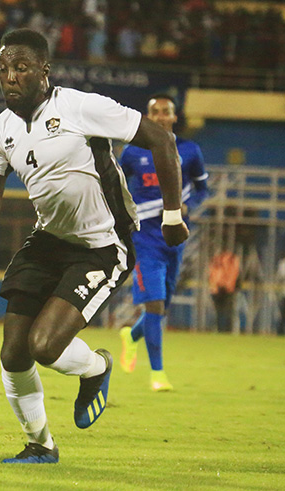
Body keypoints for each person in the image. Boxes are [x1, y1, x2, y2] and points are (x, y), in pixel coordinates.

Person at [0, 28, 188, 464]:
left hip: (102, 244)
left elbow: (163, 140)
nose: (10, 77)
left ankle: (97, 367)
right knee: (13, 352)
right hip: (49, 240)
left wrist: (173, 215)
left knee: (45, 347)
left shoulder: (81, 107)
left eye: (21, 67)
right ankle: (40, 445)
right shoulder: (1, 129)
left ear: (44, 71)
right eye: (3, 69)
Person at [118, 94, 208, 392]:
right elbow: (115, 184)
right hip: (144, 238)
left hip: (175, 238)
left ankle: (131, 336)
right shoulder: (133, 152)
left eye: (165, 111)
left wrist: (189, 205)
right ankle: (157, 373)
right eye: (154, 112)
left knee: (161, 307)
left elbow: (202, 188)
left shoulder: (190, 150)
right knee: (154, 305)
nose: (160, 116)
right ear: (147, 117)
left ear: (174, 116)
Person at [209, 250, 239, 333]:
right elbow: (213, 275)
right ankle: (220, 329)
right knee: (219, 312)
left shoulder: (231, 260)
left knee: (227, 312)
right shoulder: (218, 260)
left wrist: (226, 285)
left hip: (226, 289)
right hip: (219, 289)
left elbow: (233, 274)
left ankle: (227, 330)